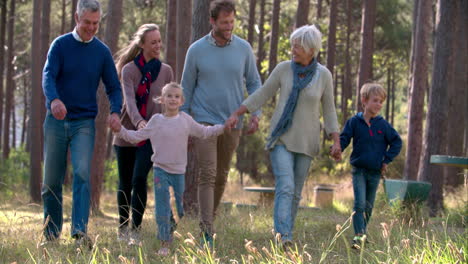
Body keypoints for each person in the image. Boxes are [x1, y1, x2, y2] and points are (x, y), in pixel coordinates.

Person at [226, 25, 341, 247]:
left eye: (298, 46)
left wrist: (336, 140)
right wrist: (238, 112)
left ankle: (286, 231)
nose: (293, 49)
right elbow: (263, 94)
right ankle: (283, 238)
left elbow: (329, 110)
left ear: (310, 49)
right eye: (293, 45)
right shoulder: (284, 69)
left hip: (307, 141)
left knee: (296, 193)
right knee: (286, 186)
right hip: (281, 138)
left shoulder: (323, 76)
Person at [110, 82, 228, 256]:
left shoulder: (185, 120)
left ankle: (172, 225)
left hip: (179, 172)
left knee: (179, 210)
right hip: (160, 171)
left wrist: (223, 128)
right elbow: (136, 137)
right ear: (162, 100)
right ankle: (164, 242)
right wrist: (120, 130)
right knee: (162, 208)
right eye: (169, 96)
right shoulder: (156, 120)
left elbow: (203, 132)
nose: (173, 99)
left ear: (181, 101)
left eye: (176, 96)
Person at [180, 0, 262, 246]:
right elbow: (186, 87)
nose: (229, 27)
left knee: (222, 176)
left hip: (232, 122)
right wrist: (183, 123)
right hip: (204, 121)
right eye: (224, 22)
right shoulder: (196, 50)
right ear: (212, 21)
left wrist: (255, 113)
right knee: (207, 173)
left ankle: (210, 220)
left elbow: (255, 83)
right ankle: (206, 231)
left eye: (232, 22)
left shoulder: (244, 49)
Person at [41, 0, 122, 248]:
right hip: (56, 120)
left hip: (84, 122)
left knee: (82, 173)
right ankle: (51, 236)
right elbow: (48, 76)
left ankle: (79, 233)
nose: (91, 28)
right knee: (52, 180)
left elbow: (114, 87)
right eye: (87, 22)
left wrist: (116, 112)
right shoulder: (61, 45)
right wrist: (54, 100)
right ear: (77, 18)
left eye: (96, 23)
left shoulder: (101, 52)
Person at [112, 24, 174, 245]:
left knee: (139, 178)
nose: (158, 46)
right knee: (125, 181)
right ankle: (122, 227)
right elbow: (129, 102)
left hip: (150, 135)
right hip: (127, 132)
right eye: (153, 42)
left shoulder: (165, 71)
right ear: (142, 45)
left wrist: (167, 128)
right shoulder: (128, 70)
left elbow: (169, 104)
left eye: (159, 41)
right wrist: (138, 123)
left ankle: (135, 230)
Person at [336, 83, 402, 249]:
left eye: (381, 101)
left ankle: (363, 234)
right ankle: (358, 238)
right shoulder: (354, 122)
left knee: (368, 206)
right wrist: (337, 149)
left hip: (375, 172)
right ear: (364, 101)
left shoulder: (383, 125)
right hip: (359, 170)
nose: (379, 104)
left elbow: (396, 142)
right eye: (375, 100)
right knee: (359, 204)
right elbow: (344, 138)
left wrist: (386, 160)